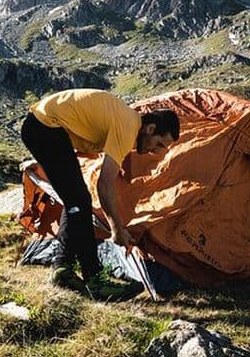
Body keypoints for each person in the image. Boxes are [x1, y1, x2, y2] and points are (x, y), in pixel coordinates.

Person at [21, 89, 179, 300]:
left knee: (76, 201)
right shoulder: (128, 127)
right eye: (159, 144)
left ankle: (63, 268)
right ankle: (94, 279)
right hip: (45, 126)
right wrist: (117, 229)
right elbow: (104, 186)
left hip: (43, 126)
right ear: (150, 129)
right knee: (80, 201)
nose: (156, 151)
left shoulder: (127, 120)